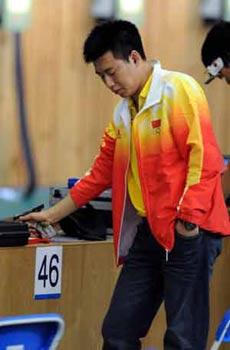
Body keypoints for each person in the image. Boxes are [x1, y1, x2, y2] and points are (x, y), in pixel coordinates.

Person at [20, 20, 230, 350]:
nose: (108, 83)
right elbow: (99, 174)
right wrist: (51, 214)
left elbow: (204, 162)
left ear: (134, 57)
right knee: (117, 332)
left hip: (191, 230)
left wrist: (187, 224)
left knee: (182, 340)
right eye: (101, 76)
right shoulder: (122, 115)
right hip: (150, 232)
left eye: (111, 72)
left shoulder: (180, 90)